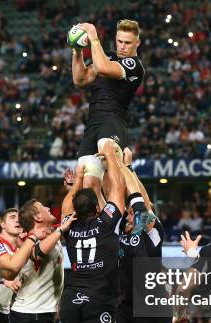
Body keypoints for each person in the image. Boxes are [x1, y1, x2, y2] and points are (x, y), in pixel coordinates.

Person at [107, 149, 183, 323]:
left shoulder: (152, 234)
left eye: (134, 214)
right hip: (127, 307)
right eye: (129, 215)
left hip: (153, 308)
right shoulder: (120, 235)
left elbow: (140, 198)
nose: (130, 217)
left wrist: (126, 166)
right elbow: (114, 198)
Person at [55, 141, 126, 323]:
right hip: (99, 298)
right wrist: (110, 155)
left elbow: (66, 208)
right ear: (97, 207)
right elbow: (118, 192)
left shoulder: (68, 226)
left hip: (72, 298)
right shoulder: (107, 224)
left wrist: (76, 182)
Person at [72, 19, 144, 208]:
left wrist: (94, 39)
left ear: (137, 43)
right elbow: (80, 79)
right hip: (93, 122)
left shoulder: (134, 65)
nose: (122, 46)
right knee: (89, 182)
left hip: (113, 119)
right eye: (119, 41)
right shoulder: (107, 56)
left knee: (108, 151)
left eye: (127, 42)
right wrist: (77, 50)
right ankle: (109, 224)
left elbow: (103, 68)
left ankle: (138, 207)